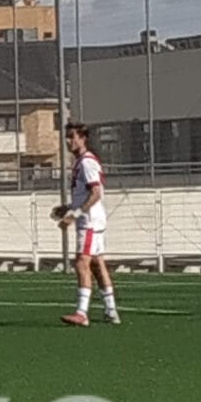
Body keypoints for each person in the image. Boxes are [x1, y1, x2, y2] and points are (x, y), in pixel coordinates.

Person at [57, 122, 119, 327]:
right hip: (92, 219)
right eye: (67, 137)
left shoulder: (86, 163)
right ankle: (111, 310)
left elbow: (95, 193)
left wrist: (74, 214)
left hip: (89, 221)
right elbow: (86, 194)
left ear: (82, 138)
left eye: (72, 136)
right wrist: (68, 207)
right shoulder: (81, 162)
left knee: (81, 262)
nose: (68, 141)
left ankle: (82, 312)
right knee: (97, 263)